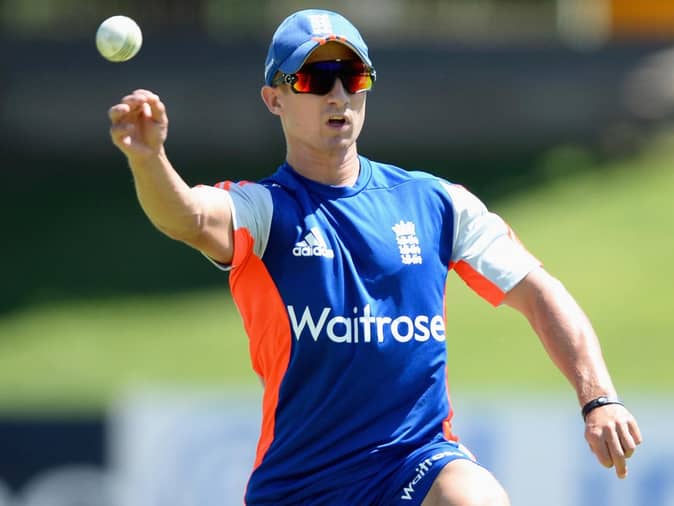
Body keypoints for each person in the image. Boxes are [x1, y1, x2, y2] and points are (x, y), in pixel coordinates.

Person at [108, 8, 642, 506]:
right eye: (316, 79)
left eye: (353, 77)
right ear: (274, 99)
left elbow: (539, 292)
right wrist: (149, 160)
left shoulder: (437, 203)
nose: (338, 95)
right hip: (300, 485)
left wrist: (599, 398)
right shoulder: (265, 209)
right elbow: (188, 217)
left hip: (414, 460)